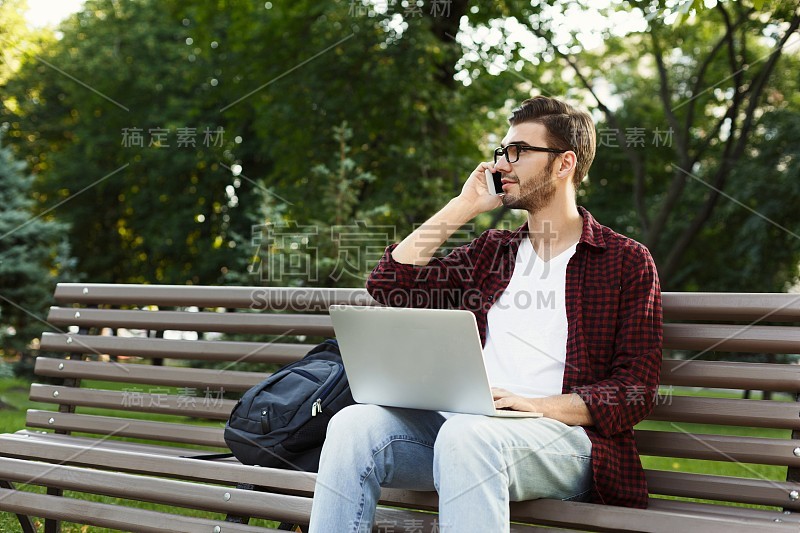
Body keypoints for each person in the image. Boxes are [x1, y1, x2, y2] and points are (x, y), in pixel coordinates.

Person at [308, 96, 663, 532]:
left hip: (565, 444)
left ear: (564, 163)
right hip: (467, 431)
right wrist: (463, 206)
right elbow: (390, 283)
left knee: (469, 436)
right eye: (502, 152)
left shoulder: (624, 260)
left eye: (518, 152)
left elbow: (635, 388)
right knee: (352, 424)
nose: (502, 165)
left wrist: (536, 406)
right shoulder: (491, 252)